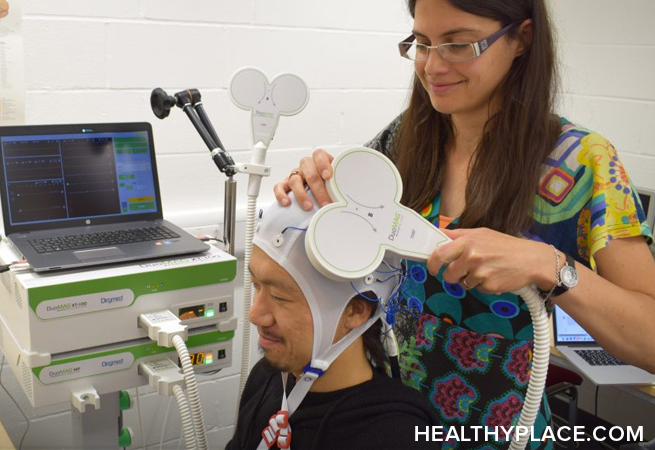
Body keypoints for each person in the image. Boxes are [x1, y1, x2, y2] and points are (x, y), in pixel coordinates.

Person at [274, 0, 655, 448]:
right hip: (391, 424)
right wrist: (313, 187)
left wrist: (548, 265)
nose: (432, 65)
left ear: (522, 40)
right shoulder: (405, 138)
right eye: (420, 43)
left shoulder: (579, 162)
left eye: (458, 44)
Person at [226, 192, 439, 450]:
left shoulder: (396, 435)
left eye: (278, 296)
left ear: (354, 313)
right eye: (256, 286)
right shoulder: (267, 378)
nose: (255, 314)